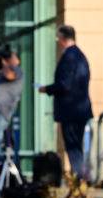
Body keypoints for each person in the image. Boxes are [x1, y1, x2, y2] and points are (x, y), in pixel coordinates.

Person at [39, 25, 92, 179]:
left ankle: (79, 187)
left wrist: (47, 89)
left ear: (62, 38)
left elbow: (65, 84)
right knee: (76, 149)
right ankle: (79, 186)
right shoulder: (79, 55)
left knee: (74, 149)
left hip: (71, 111)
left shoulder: (70, 56)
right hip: (78, 110)